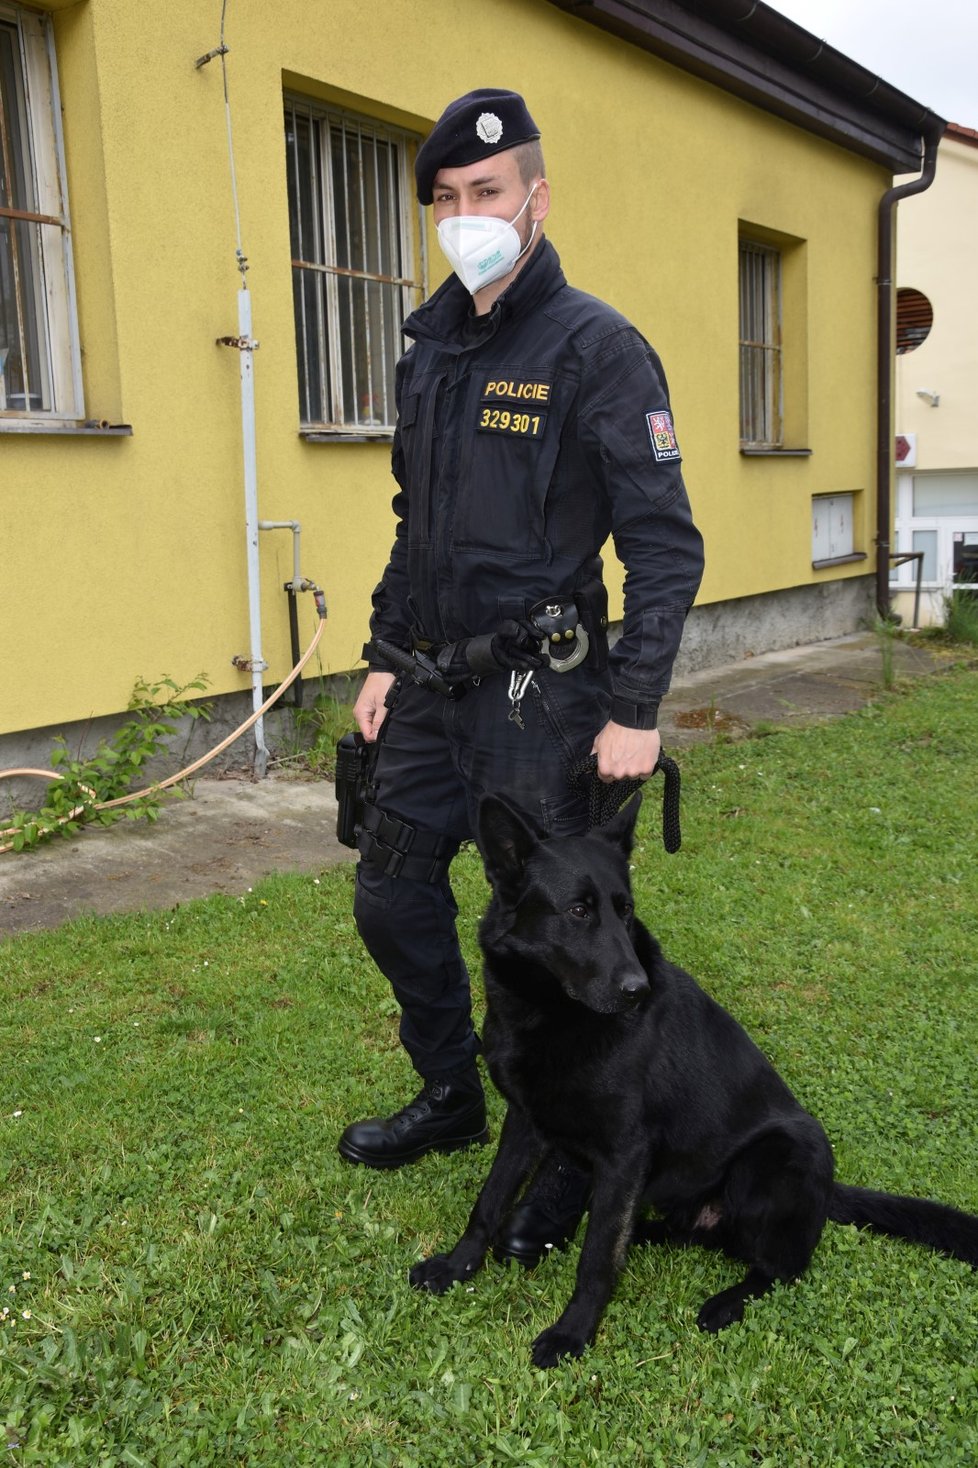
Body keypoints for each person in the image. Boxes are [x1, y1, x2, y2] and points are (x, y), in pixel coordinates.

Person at [338, 88, 704, 1265]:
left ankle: (565, 1158)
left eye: (486, 194)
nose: (464, 215)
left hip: (545, 699)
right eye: (445, 199)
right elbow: (416, 524)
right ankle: (453, 1095)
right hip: (434, 688)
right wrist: (386, 657)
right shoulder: (431, 344)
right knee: (390, 894)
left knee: (554, 946)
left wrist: (636, 710)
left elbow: (665, 547)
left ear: (536, 200)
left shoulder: (598, 348)